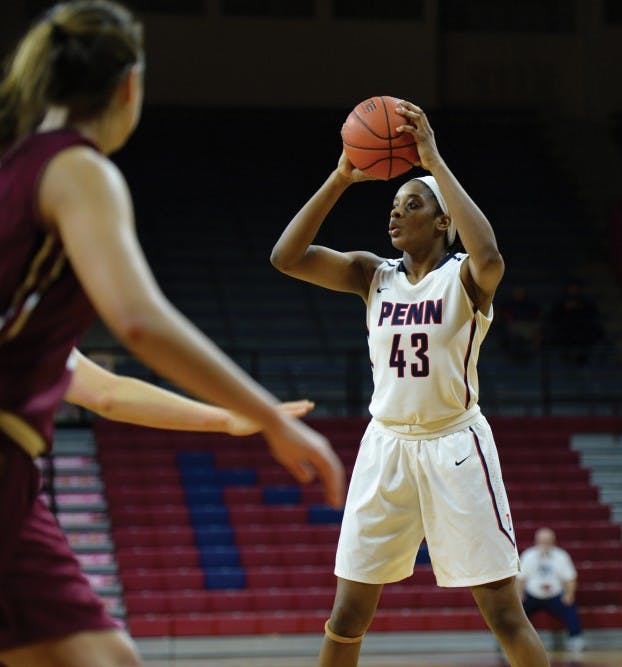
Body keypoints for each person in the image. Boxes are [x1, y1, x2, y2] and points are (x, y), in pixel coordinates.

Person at [0, 3, 345, 665]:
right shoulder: (78, 169)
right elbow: (139, 319)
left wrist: (225, 418)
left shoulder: (14, 176)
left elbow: (101, 389)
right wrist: (272, 419)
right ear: (129, 86)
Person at [271, 100, 550, 667]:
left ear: (443, 221)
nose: (395, 215)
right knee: (347, 615)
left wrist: (433, 160)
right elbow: (287, 256)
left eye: (412, 204)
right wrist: (344, 175)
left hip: (455, 444)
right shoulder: (373, 275)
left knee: (502, 612)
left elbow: (490, 252)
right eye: (394, 205)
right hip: (387, 446)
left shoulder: (466, 279)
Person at [516, 527, 585, 653]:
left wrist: (569, 594)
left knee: (569, 607)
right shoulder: (528, 555)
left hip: (555, 596)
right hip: (532, 596)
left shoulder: (561, 556)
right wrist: (519, 594)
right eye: (542, 540)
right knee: (515, 611)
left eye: (547, 540)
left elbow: (570, 578)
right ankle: (512, 641)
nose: (544, 543)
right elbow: (520, 579)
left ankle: (575, 638)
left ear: (553, 541)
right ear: (536, 541)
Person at [545, 279, 602, 365]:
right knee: (559, 335)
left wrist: (581, 308)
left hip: (582, 328)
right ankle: (566, 357)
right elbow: (552, 315)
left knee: (590, 334)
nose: (574, 290)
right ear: (568, 289)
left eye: (576, 288)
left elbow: (594, 313)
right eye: (572, 288)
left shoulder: (586, 301)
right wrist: (564, 308)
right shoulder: (560, 300)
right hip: (564, 328)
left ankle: (581, 359)